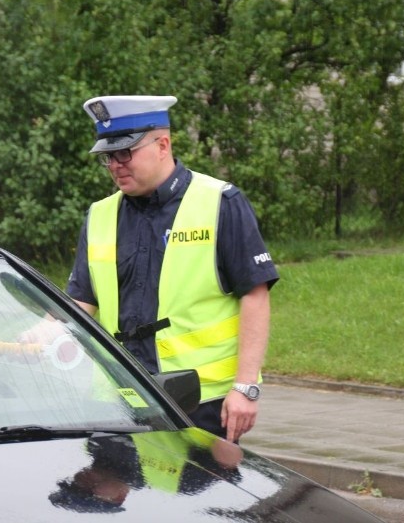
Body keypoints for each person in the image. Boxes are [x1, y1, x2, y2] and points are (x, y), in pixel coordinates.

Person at [66, 95, 279, 442]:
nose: (115, 165)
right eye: (107, 157)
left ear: (162, 144)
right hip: (119, 400)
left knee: (201, 498)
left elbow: (255, 296)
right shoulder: (100, 215)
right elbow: (81, 301)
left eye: (125, 152)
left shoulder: (220, 203)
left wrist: (246, 387)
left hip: (201, 403)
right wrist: (40, 335)